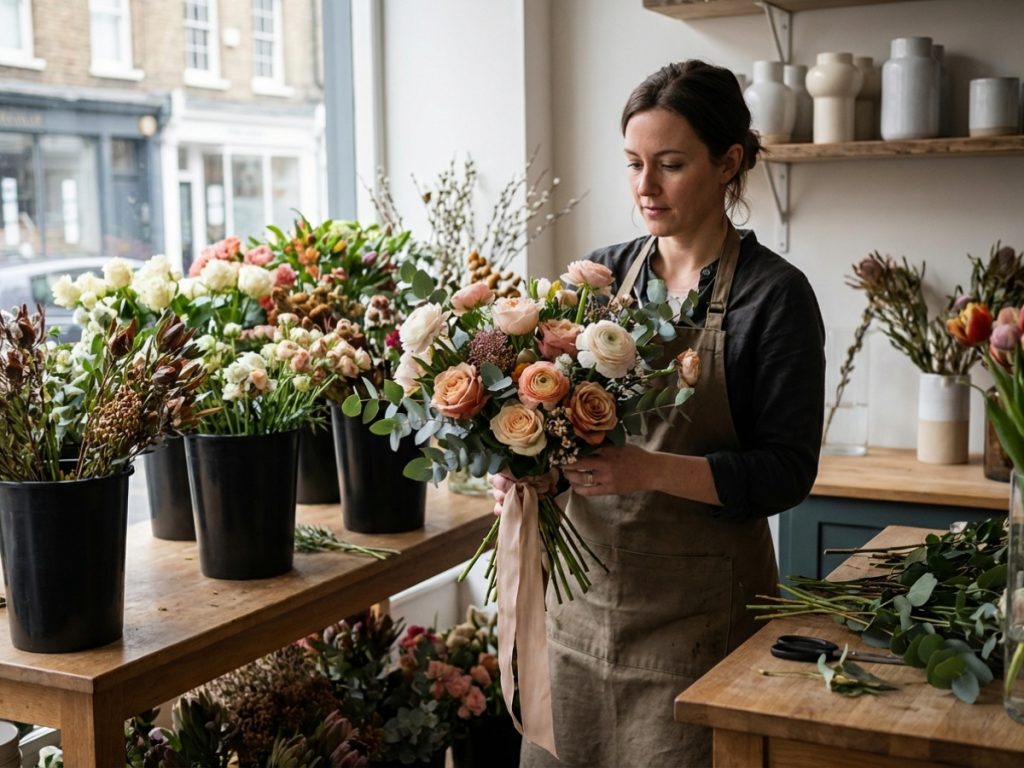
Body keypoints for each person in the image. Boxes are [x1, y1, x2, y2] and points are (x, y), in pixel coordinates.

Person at [497, 60, 826, 767]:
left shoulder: (774, 298)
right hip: (577, 622)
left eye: (671, 164)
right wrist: (529, 468)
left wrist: (646, 470)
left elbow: (787, 473)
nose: (645, 186)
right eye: (634, 163)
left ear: (728, 161)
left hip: (699, 632)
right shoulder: (600, 279)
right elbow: (564, 430)